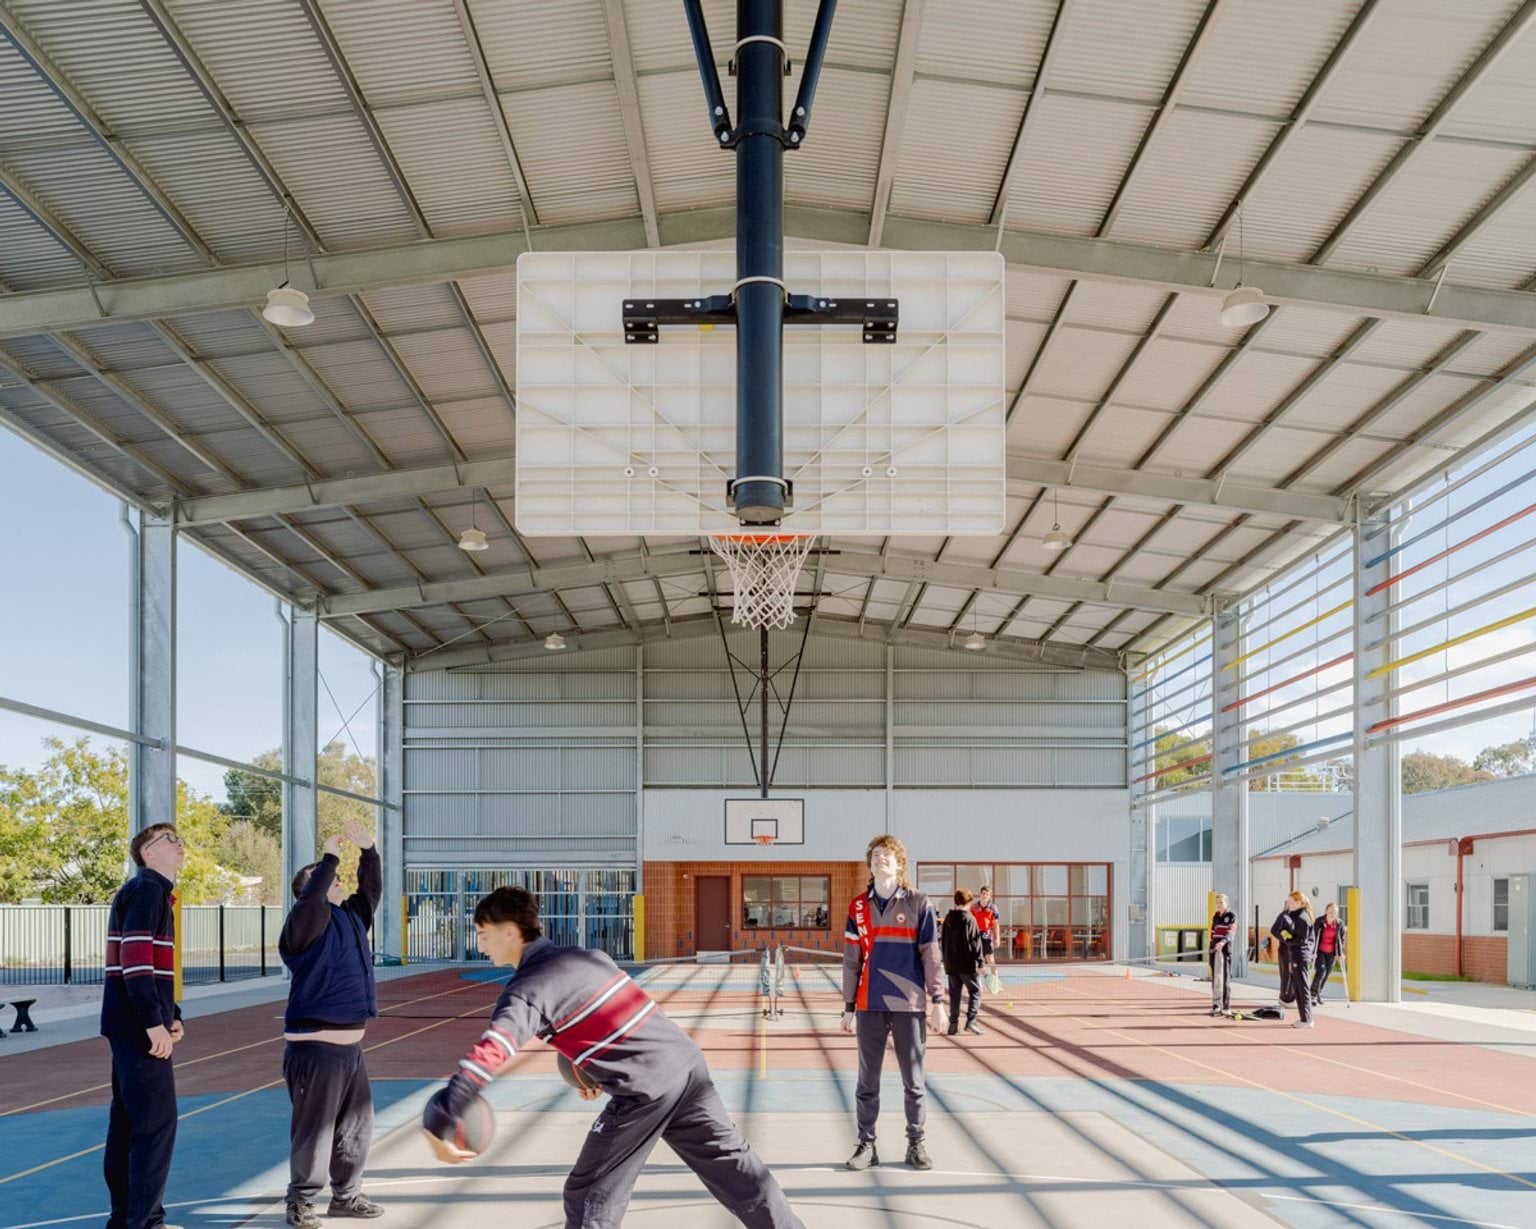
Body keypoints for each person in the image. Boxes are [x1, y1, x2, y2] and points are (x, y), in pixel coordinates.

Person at [422, 887, 803, 1229]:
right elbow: (618, 1020)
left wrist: (443, 1116)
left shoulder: (526, 991)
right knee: (739, 1174)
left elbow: (489, 1053)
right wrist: (592, 1072)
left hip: (646, 1090)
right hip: (687, 1069)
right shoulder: (589, 957)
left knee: (588, 1195)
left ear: (509, 930)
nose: (480, 944)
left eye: (483, 934)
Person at [279, 823, 385, 1228]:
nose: (334, 879)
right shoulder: (303, 927)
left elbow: (370, 890)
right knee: (316, 1129)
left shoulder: (351, 918)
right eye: (325, 879)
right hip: (315, 1048)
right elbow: (311, 900)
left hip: (350, 1049)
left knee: (356, 1128)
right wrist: (328, 856)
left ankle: (347, 1196)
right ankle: (301, 1201)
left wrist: (369, 851)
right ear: (309, 892)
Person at [841, 834, 947, 1172]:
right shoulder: (857, 906)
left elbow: (932, 955)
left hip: (910, 1004)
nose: (880, 858)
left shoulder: (919, 903)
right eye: (875, 854)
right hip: (869, 1004)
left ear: (900, 863)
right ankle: (866, 1144)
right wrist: (847, 1006)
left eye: (887, 854)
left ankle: (916, 1144)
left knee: (913, 1082)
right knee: (866, 1080)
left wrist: (938, 1000)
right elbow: (851, 960)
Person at [101, 822, 187, 1229]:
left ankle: (126, 1218)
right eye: (169, 840)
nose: (179, 844)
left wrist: (172, 1015)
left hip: (131, 1025)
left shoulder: (150, 894)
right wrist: (153, 1023)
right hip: (138, 1029)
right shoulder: (147, 889)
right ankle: (146, 1222)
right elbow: (135, 962)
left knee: (128, 1123)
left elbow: (152, 968)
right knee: (155, 1124)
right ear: (147, 854)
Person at [941, 889, 985, 1036]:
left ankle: (953, 1025)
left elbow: (944, 941)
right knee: (976, 991)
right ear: (968, 902)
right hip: (967, 964)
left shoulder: (947, 918)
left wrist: (946, 960)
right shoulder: (969, 919)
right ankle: (971, 1021)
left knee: (954, 995)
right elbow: (976, 943)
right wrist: (980, 963)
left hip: (951, 964)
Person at [1271, 891, 1316, 1029]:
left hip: (1301, 956)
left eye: (1291, 901)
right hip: (1295, 956)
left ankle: (1307, 1019)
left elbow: (1301, 940)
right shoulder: (1294, 916)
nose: (1288, 904)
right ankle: (1304, 1018)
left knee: (1302, 988)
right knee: (1297, 987)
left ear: (1298, 902)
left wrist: (1287, 937)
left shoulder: (1302, 918)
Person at [1310, 902, 1346, 1006]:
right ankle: (1312, 995)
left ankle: (1318, 993)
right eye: (1331, 912)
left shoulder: (1339, 924)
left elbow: (1341, 940)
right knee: (1321, 971)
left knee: (1327, 973)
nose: (1332, 914)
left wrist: (1341, 954)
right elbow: (1313, 937)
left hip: (1331, 953)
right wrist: (1313, 952)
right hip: (1320, 951)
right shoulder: (1319, 922)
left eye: (1335, 912)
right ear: (1326, 911)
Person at [1208, 893, 1236, 1017]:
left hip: (1225, 949)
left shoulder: (1231, 915)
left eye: (1221, 902)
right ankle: (1216, 1004)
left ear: (1226, 903)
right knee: (1215, 976)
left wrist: (1222, 942)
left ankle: (1226, 1005)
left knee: (1225, 977)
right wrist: (1211, 946)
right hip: (1214, 949)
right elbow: (1213, 933)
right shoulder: (1215, 916)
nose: (1219, 905)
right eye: (1217, 903)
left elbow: (1231, 932)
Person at [970, 886, 1000, 984]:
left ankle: (996, 982)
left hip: (987, 937)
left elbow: (996, 924)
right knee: (977, 961)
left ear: (990, 896)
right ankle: (978, 984)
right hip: (975, 937)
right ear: (980, 894)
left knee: (990, 959)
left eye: (987, 894)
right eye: (983, 893)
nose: (985, 895)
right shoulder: (974, 907)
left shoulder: (993, 908)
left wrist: (997, 938)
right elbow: (970, 923)